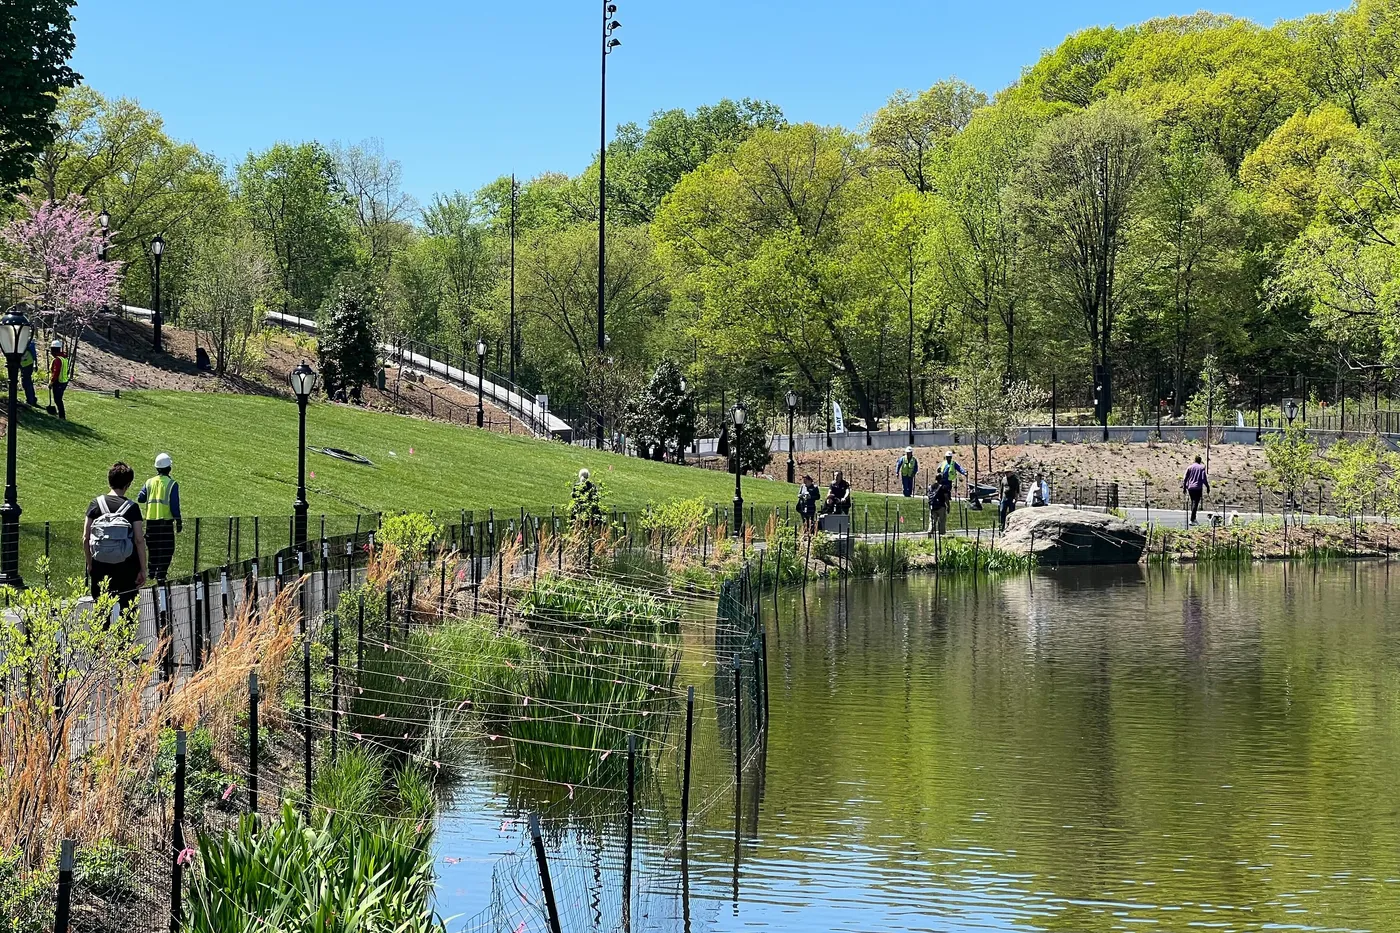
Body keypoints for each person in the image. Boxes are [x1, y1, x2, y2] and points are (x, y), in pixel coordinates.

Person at [85, 461, 147, 619]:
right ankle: (125, 644)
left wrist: (90, 563)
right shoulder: (132, 508)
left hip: (100, 566)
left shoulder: (95, 504)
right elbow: (139, 540)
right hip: (127, 568)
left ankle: (100, 643)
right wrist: (142, 569)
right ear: (128, 484)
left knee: (101, 615)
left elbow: (86, 537)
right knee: (128, 614)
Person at [138, 453, 183, 582]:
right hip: (166, 522)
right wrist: (178, 521)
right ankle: (161, 574)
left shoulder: (149, 482)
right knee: (167, 548)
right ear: (169, 468)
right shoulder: (172, 484)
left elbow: (140, 498)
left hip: (151, 522)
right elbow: (175, 505)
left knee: (152, 548)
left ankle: (151, 572)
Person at [48, 338, 72, 420]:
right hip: (64, 381)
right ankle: (61, 414)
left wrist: (51, 382)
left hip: (59, 382)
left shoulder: (58, 360)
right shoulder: (64, 358)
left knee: (58, 400)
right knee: (59, 399)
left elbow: (56, 372)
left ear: (53, 350)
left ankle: (62, 416)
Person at [1183, 454, 1210, 525]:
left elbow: (1185, 478)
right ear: (1200, 461)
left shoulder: (1190, 467)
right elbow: (1204, 479)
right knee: (1195, 503)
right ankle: (1192, 519)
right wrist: (1207, 487)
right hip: (1197, 487)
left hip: (1190, 487)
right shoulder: (1201, 468)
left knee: (1193, 502)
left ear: (1194, 460)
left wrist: (1184, 488)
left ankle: (1194, 518)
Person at [18, 334, 37, 406]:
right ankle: (32, 399)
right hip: (28, 363)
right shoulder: (26, 341)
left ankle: (30, 400)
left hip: (26, 363)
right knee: (28, 381)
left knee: (26, 383)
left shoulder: (23, 342)